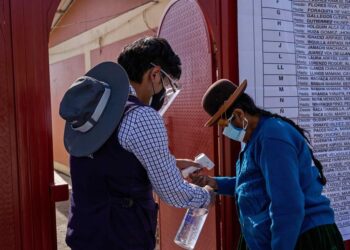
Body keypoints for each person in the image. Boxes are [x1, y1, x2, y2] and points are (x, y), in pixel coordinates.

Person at [59, 37, 213, 250]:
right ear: (155, 74)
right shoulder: (142, 116)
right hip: (122, 237)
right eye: (167, 84)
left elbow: (110, 160)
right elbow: (171, 191)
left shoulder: (93, 109)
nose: (165, 92)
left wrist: (171, 162)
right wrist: (205, 196)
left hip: (85, 234)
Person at [191, 79, 344, 250]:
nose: (224, 132)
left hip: (302, 237)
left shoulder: (272, 137)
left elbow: (288, 205)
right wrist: (213, 182)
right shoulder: (257, 138)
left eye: (223, 125)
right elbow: (252, 185)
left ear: (240, 115)